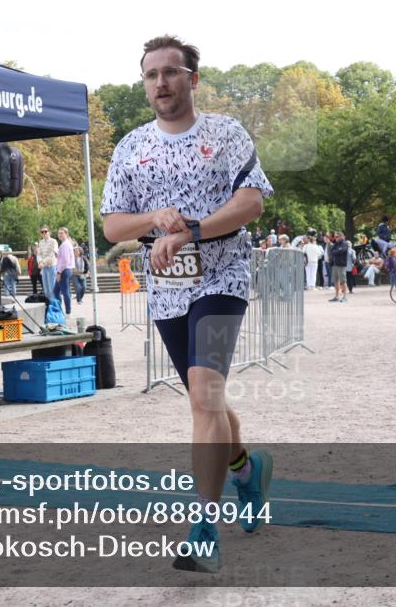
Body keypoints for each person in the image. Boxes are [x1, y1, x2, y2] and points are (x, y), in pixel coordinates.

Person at [100, 35, 274, 574]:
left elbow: (251, 202)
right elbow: (111, 224)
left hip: (222, 276)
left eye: (170, 73)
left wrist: (192, 231)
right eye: (151, 75)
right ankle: (247, 470)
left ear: (192, 79)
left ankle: (204, 529)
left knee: (202, 395)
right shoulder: (130, 147)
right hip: (166, 288)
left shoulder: (225, 133)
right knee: (209, 401)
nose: (160, 84)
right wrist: (154, 221)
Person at [37, 226, 58, 303]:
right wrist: (39, 262)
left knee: (52, 287)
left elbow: (53, 254)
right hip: (44, 267)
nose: (44, 233)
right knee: (46, 288)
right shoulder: (41, 242)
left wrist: (43, 262)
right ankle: (49, 304)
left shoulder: (53, 241)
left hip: (51, 266)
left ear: (49, 232)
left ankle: (54, 305)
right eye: (42, 232)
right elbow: (38, 254)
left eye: (45, 231)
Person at [329, 232, 350, 303]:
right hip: (335, 264)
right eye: (335, 237)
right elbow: (332, 251)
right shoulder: (336, 244)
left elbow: (341, 251)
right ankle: (337, 296)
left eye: (337, 236)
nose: (336, 238)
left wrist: (336, 251)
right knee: (336, 281)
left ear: (341, 236)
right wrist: (337, 251)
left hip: (341, 265)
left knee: (343, 281)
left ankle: (345, 297)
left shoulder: (345, 243)